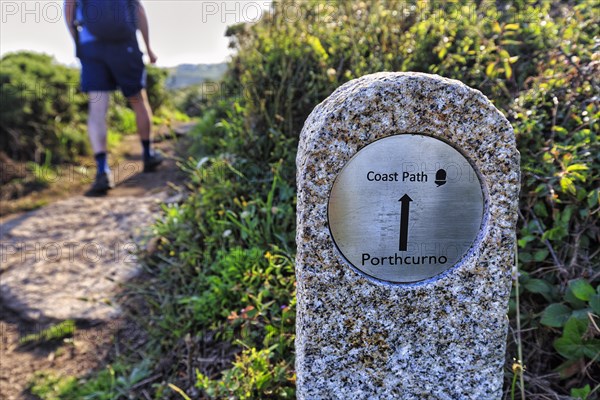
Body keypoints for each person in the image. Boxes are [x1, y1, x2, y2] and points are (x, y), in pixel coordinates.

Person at [64, 0, 163, 195]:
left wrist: (78, 42)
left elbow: (69, 9)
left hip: (91, 47)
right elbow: (138, 10)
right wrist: (149, 48)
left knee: (97, 108)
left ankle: (102, 170)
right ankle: (148, 154)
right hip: (124, 43)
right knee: (137, 100)